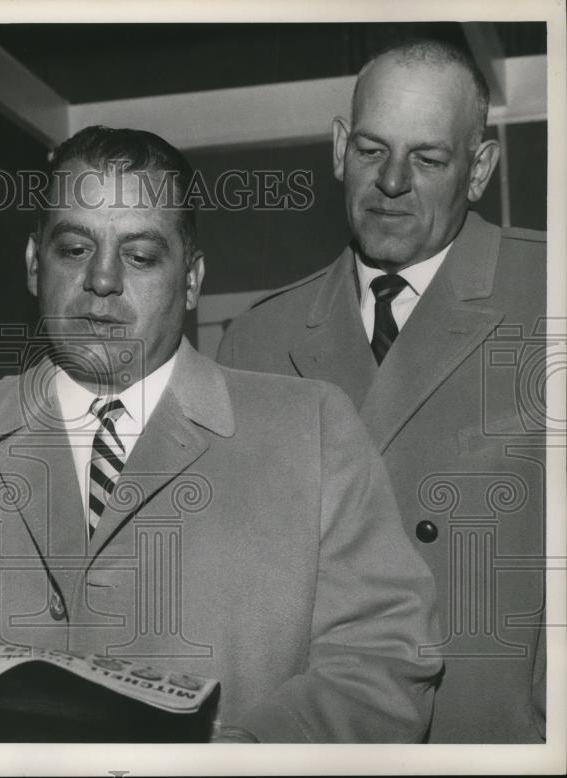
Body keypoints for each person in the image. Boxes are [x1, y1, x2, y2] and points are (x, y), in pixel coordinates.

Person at [0, 126, 444, 742]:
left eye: (140, 256)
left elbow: (384, 661)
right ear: (33, 263)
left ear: (191, 280)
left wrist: (246, 757)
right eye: (75, 249)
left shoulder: (311, 430)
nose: (103, 280)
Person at [218, 40, 546, 743]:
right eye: (371, 151)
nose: (392, 181)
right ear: (338, 149)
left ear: (480, 168)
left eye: (428, 159)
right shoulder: (255, 342)